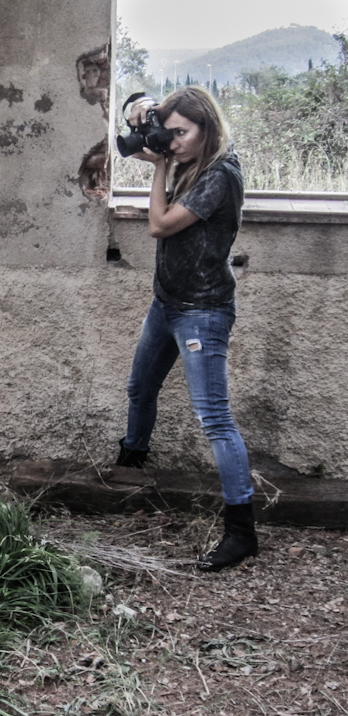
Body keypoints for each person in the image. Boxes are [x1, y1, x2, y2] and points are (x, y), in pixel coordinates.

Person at [114, 86, 256, 572]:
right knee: (140, 387)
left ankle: (241, 532)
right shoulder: (191, 160)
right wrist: (140, 113)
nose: (171, 142)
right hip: (167, 303)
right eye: (167, 133)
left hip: (202, 312)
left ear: (207, 128)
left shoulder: (220, 175)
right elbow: (147, 124)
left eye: (180, 134)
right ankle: (131, 466)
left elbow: (159, 224)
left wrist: (158, 166)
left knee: (214, 418)